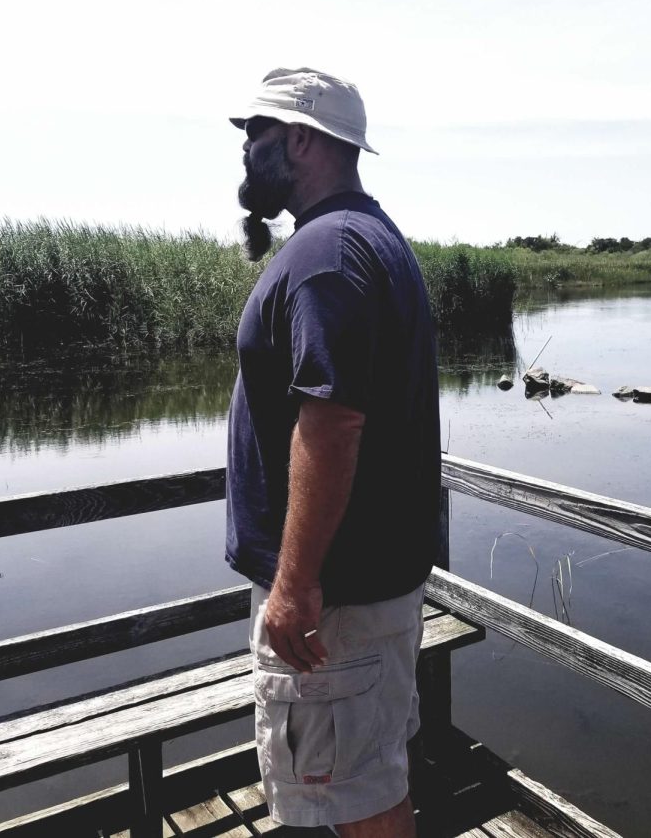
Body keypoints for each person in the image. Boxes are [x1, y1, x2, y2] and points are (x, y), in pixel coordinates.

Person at [225, 67, 441, 837]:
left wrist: (294, 586)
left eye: (257, 133)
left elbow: (333, 423)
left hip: (335, 601)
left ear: (303, 140)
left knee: (350, 792)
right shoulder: (366, 238)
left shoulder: (326, 256)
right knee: (364, 774)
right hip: (361, 589)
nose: (246, 150)